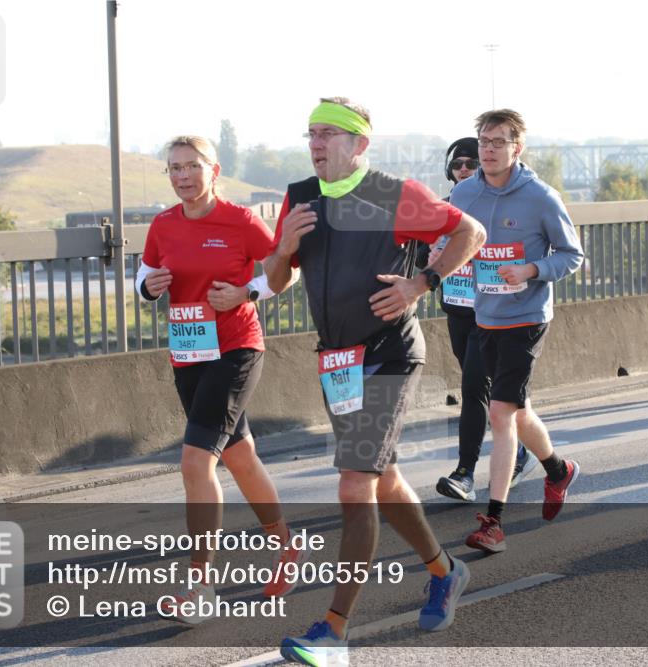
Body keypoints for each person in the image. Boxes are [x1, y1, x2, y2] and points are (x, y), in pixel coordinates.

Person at [264, 98, 486, 665]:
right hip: (336, 361)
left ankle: (334, 632)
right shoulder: (300, 197)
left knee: (354, 483)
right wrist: (283, 246)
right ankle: (444, 571)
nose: (316, 144)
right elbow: (277, 278)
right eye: (311, 133)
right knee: (382, 478)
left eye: (329, 135)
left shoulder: (395, 194)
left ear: (359, 144)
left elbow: (472, 232)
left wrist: (422, 284)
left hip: (389, 352)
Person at [136, 135, 304, 626]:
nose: (183, 176)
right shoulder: (163, 224)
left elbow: (284, 271)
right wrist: (149, 287)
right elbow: (144, 275)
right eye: (174, 168)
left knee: (194, 461)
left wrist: (248, 292)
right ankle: (288, 548)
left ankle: (200, 585)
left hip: (236, 348)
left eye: (192, 166)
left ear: (214, 170)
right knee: (240, 456)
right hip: (188, 354)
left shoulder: (239, 220)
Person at [449, 109, 584, 554]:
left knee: (501, 413)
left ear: (517, 148)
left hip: (527, 318)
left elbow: (571, 255)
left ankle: (494, 522)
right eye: (483, 141)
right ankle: (558, 470)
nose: (487, 150)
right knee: (519, 412)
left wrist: (531, 268)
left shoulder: (541, 198)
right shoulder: (464, 193)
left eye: (497, 142)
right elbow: (447, 240)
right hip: (484, 316)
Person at [415, 137, 538, 502]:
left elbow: (517, 245)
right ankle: (526, 455)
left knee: (473, 388)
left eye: (472, 163)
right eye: (458, 165)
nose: (465, 170)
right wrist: (431, 256)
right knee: (501, 396)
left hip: (492, 314)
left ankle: (465, 473)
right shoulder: (441, 209)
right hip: (456, 309)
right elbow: (421, 251)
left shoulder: (492, 206)